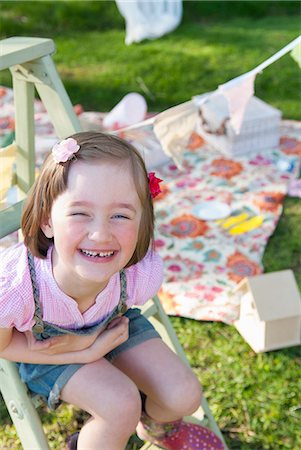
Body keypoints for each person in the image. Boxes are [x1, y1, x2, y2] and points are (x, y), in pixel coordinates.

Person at [0, 132, 224, 450]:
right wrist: (85, 350)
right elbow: (3, 346)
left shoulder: (138, 274)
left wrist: (97, 342)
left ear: (142, 220)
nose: (101, 233)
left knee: (183, 394)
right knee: (119, 405)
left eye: (120, 215)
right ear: (47, 220)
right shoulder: (15, 287)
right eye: (80, 213)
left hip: (114, 325)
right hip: (48, 349)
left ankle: (157, 429)